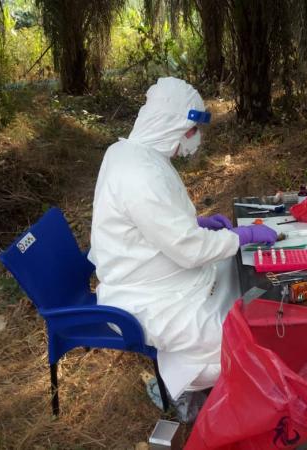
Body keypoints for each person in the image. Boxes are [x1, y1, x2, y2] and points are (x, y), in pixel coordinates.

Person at [88, 77, 277, 406]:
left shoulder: (132, 154)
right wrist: (240, 236)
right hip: (145, 294)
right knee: (231, 339)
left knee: (234, 278)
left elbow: (154, 223)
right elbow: (190, 250)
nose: (195, 139)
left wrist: (197, 224)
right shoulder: (140, 173)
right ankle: (177, 389)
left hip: (157, 272)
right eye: (192, 130)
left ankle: (187, 379)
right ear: (172, 124)